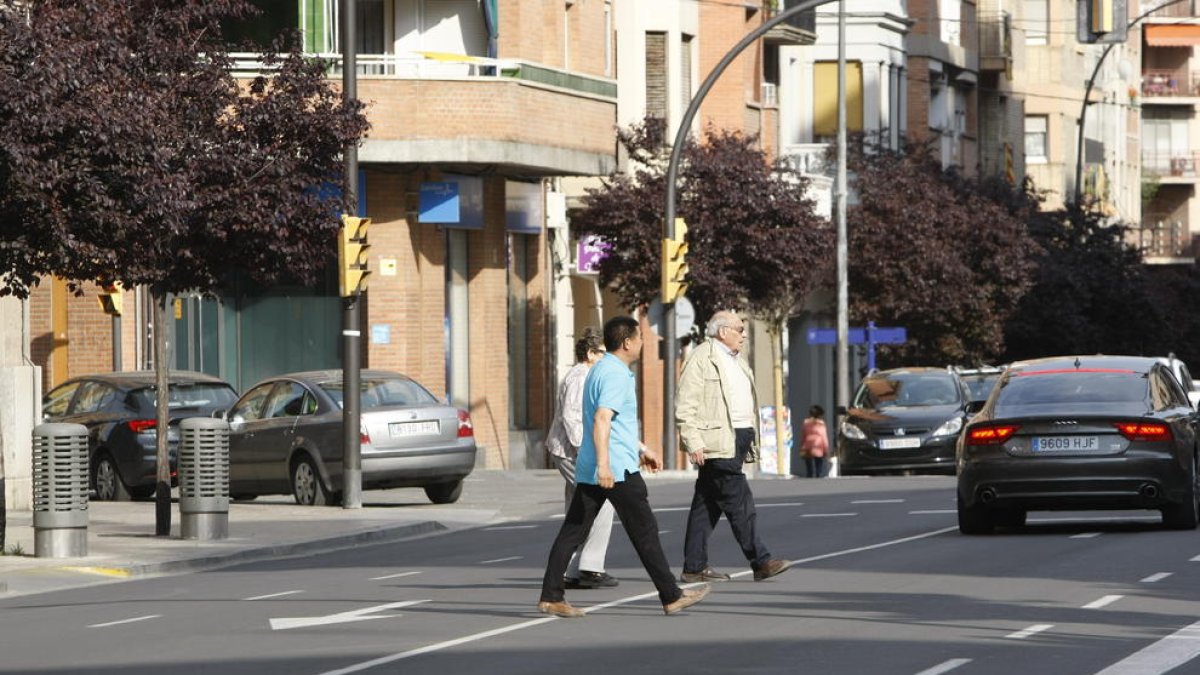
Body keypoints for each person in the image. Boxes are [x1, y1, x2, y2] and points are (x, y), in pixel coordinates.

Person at [538, 315, 710, 618]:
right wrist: (606, 465)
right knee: (645, 531)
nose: (643, 342)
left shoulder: (600, 369)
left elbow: (613, 424)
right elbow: (603, 419)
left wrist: (640, 449)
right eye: (640, 337)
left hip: (597, 463)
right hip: (615, 469)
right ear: (627, 342)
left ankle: (551, 596)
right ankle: (671, 595)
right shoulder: (616, 374)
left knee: (573, 530)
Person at [675, 310, 791, 583]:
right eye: (739, 329)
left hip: (737, 438)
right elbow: (685, 405)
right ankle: (761, 561)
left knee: (706, 504)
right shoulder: (702, 358)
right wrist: (693, 441)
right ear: (722, 331)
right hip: (717, 442)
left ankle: (694, 567)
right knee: (740, 502)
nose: (743, 335)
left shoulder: (736, 360)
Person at [544, 327, 617, 589]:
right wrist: (591, 452)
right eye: (603, 354)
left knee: (578, 508)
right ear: (589, 354)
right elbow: (572, 418)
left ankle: (570, 570)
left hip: (571, 450)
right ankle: (590, 567)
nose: (608, 359)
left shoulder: (590, 374)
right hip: (571, 451)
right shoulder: (580, 377)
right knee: (603, 499)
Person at [800, 405, 829, 479]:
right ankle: (818, 475)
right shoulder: (821, 424)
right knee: (818, 462)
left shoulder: (806, 422)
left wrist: (802, 446)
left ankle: (809, 474)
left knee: (809, 463)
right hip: (818, 446)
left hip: (807, 445)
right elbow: (824, 437)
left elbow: (803, 435)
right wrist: (826, 449)